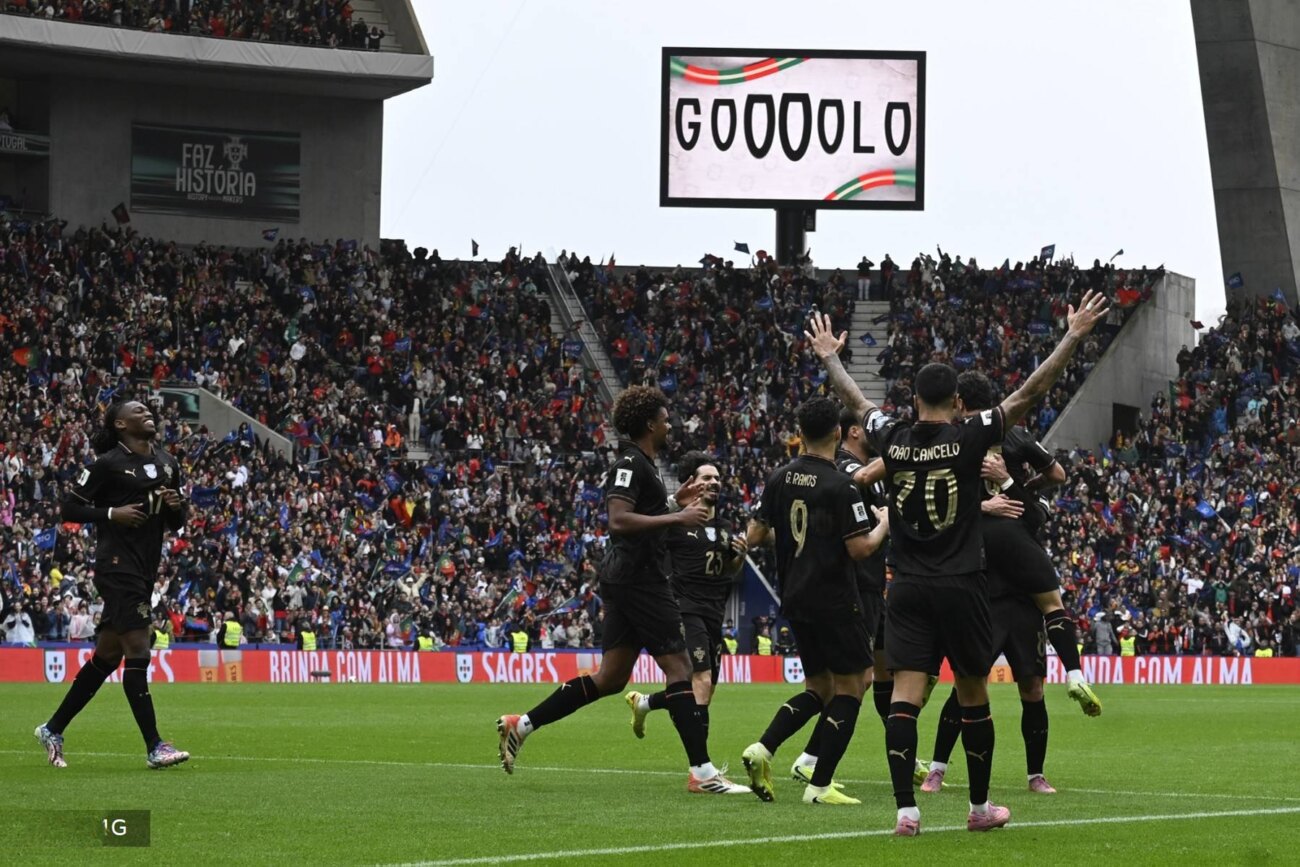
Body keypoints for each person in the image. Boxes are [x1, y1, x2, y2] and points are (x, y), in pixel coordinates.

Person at [809, 289, 1109, 835]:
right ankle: (978, 809)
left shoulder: (893, 440)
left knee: (904, 696)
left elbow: (856, 403)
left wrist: (830, 356)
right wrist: (1073, 336)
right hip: (964, 585)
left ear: (914, 398)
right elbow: (1029, 392)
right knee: (973, 692)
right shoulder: (971, 436)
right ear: (955, 400)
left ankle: (906, 811)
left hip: (907, 587)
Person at [496, 386, 749, 795]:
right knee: (681, 669)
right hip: (639, 579)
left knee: (611, 678)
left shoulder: (645, 464)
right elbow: (618, 520)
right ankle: (702, 774)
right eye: (665, 419)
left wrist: (671, 502)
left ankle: (520, 725)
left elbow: (640, 512)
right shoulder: (630, 462)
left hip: (626, 577)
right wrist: (678, 516)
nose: (669, 424)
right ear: (650, 424)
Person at [741, 396, 890, 805]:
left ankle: (764, 748)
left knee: (818, 687)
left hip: (795, 598)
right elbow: (860, 549)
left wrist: (787, 538)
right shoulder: (842, 485)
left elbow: (755, 535)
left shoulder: (779, 477)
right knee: (853, 687)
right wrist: (883, 525)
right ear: (838, 433)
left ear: (800, 433)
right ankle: (820, 785)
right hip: (837, 599)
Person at [35, 401, 191, 770]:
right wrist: (110, 513)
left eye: (149, 409)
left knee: (108, 655)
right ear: (120, 424)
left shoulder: (168, 463)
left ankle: (53, 729)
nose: (148, 411)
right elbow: (69, 509)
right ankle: (155, 745)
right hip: (117, 565)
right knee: (139, 645)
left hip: (145, 565)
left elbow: (177, 523)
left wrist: (175, 504)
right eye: (138, 410)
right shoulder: (107, 464)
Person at [921, 450, 1065, 795]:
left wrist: (1007, 483)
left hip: (1024, 605)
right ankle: (937, 769)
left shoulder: (1021, 498)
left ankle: (1036, 775)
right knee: (967, 685)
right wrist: (985, 507)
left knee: (1032, 688)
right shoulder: (967, 503)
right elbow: (941, 520)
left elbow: (1034, 518)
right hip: (983, 601)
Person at [625, 452, 747, 742]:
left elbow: (728, 571)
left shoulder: (725, 528)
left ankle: (645, 703)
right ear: (692, 483)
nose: (715, 482)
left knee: (704, 687)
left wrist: (739, 556)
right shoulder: (677, 522)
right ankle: (702, 769)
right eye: (707, 477)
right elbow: (646, 542)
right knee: (701, 678)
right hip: (685, 608)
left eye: (717, 478)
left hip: (715, 611)